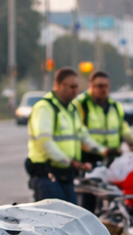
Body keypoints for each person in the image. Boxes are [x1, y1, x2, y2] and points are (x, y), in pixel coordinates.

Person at [26, 67, 100, 204]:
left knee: (71, 218)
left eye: (77, 86)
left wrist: (101, 150)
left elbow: (83, 135)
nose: (75, 90)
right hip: (47, 175)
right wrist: (69, 161)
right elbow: (45, 143)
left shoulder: (71, 109)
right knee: (53, 220)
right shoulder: (45, 108)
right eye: (71, 86)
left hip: (66, 175)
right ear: (58, 85)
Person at [76, 70, 133, 162]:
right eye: (100, 86)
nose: (104, 89)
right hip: (88, 159)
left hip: (113, 158)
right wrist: (102, 150)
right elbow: (80, 133)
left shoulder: (115, 106)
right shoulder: (81, 104)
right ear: (91, 86)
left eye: (106, 86)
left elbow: (123, 128)